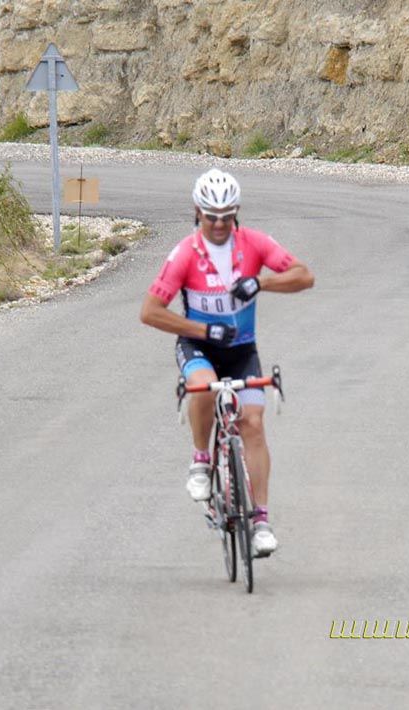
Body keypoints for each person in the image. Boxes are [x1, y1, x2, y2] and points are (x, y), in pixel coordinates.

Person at [140, 168, 315, 556]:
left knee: (253, 423)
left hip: (241, 351)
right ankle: (201, 461)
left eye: (226, 216)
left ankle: (261, 522)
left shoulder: (253, 243)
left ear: (236, 212)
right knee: (202, 387)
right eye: (211, 216)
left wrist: (261, 282)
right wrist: (204, 330)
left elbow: (305, 276)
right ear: (197, 212)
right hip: (198, 346)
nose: (219, 224)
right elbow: (150, 312)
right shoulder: (185, 253)